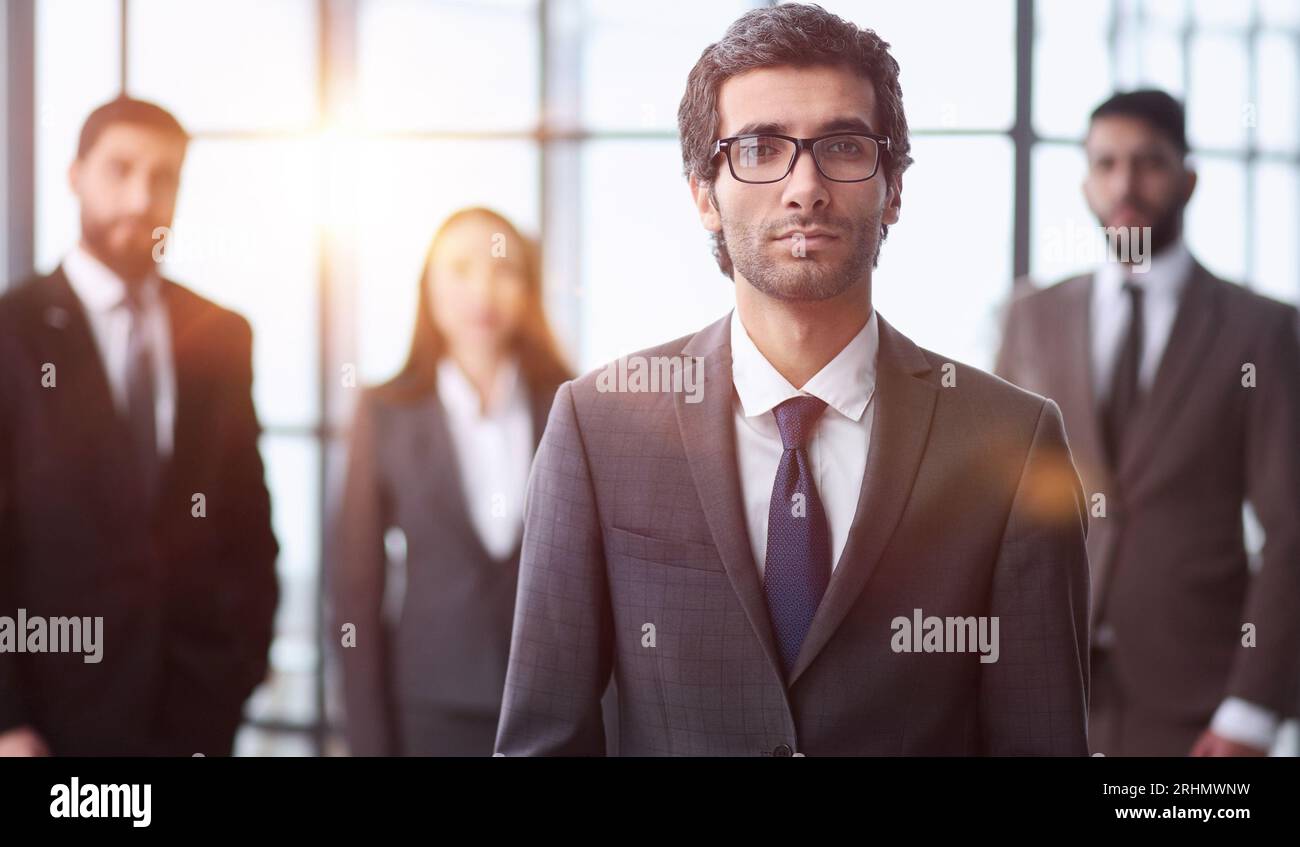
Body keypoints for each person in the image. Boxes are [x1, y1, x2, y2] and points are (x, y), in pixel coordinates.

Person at [494, 4, 1090, 757]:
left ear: (894, 189)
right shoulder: (597, 425)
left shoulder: (1013, 439)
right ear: (703, 194)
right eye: (761, 147)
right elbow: (543, 740)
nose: (804, 186)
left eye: (843, 146)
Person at [996, 90, 1300, 757]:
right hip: (1047, 684)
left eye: (1148, 162)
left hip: (1198, 702)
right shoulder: (1032, 317)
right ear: (1084, 181)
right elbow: (997, 505)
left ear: (1187, 177)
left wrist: (1252, 708)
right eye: (1105, 164)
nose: (1124, 183)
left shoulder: (1262, 330)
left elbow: (1291, 529)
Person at [0, 96, 279, 756]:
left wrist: (245, 656)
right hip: (54, 714)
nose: (141, 196)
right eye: (120, 169)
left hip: (195, 706)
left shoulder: (221, 333)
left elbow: (247, 515)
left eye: (164, 178)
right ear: (76, 176)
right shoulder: (12, 330)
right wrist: (6, 718)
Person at [331, 208, 570, 756]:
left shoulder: (569, 403)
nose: (482, 290)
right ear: (428, 289)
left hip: (555, 704)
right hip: (428, 707)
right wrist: (368, 742)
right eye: (460, 269)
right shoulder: (384, 411)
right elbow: (354, 588)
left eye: (502, 269)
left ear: (527, 288)